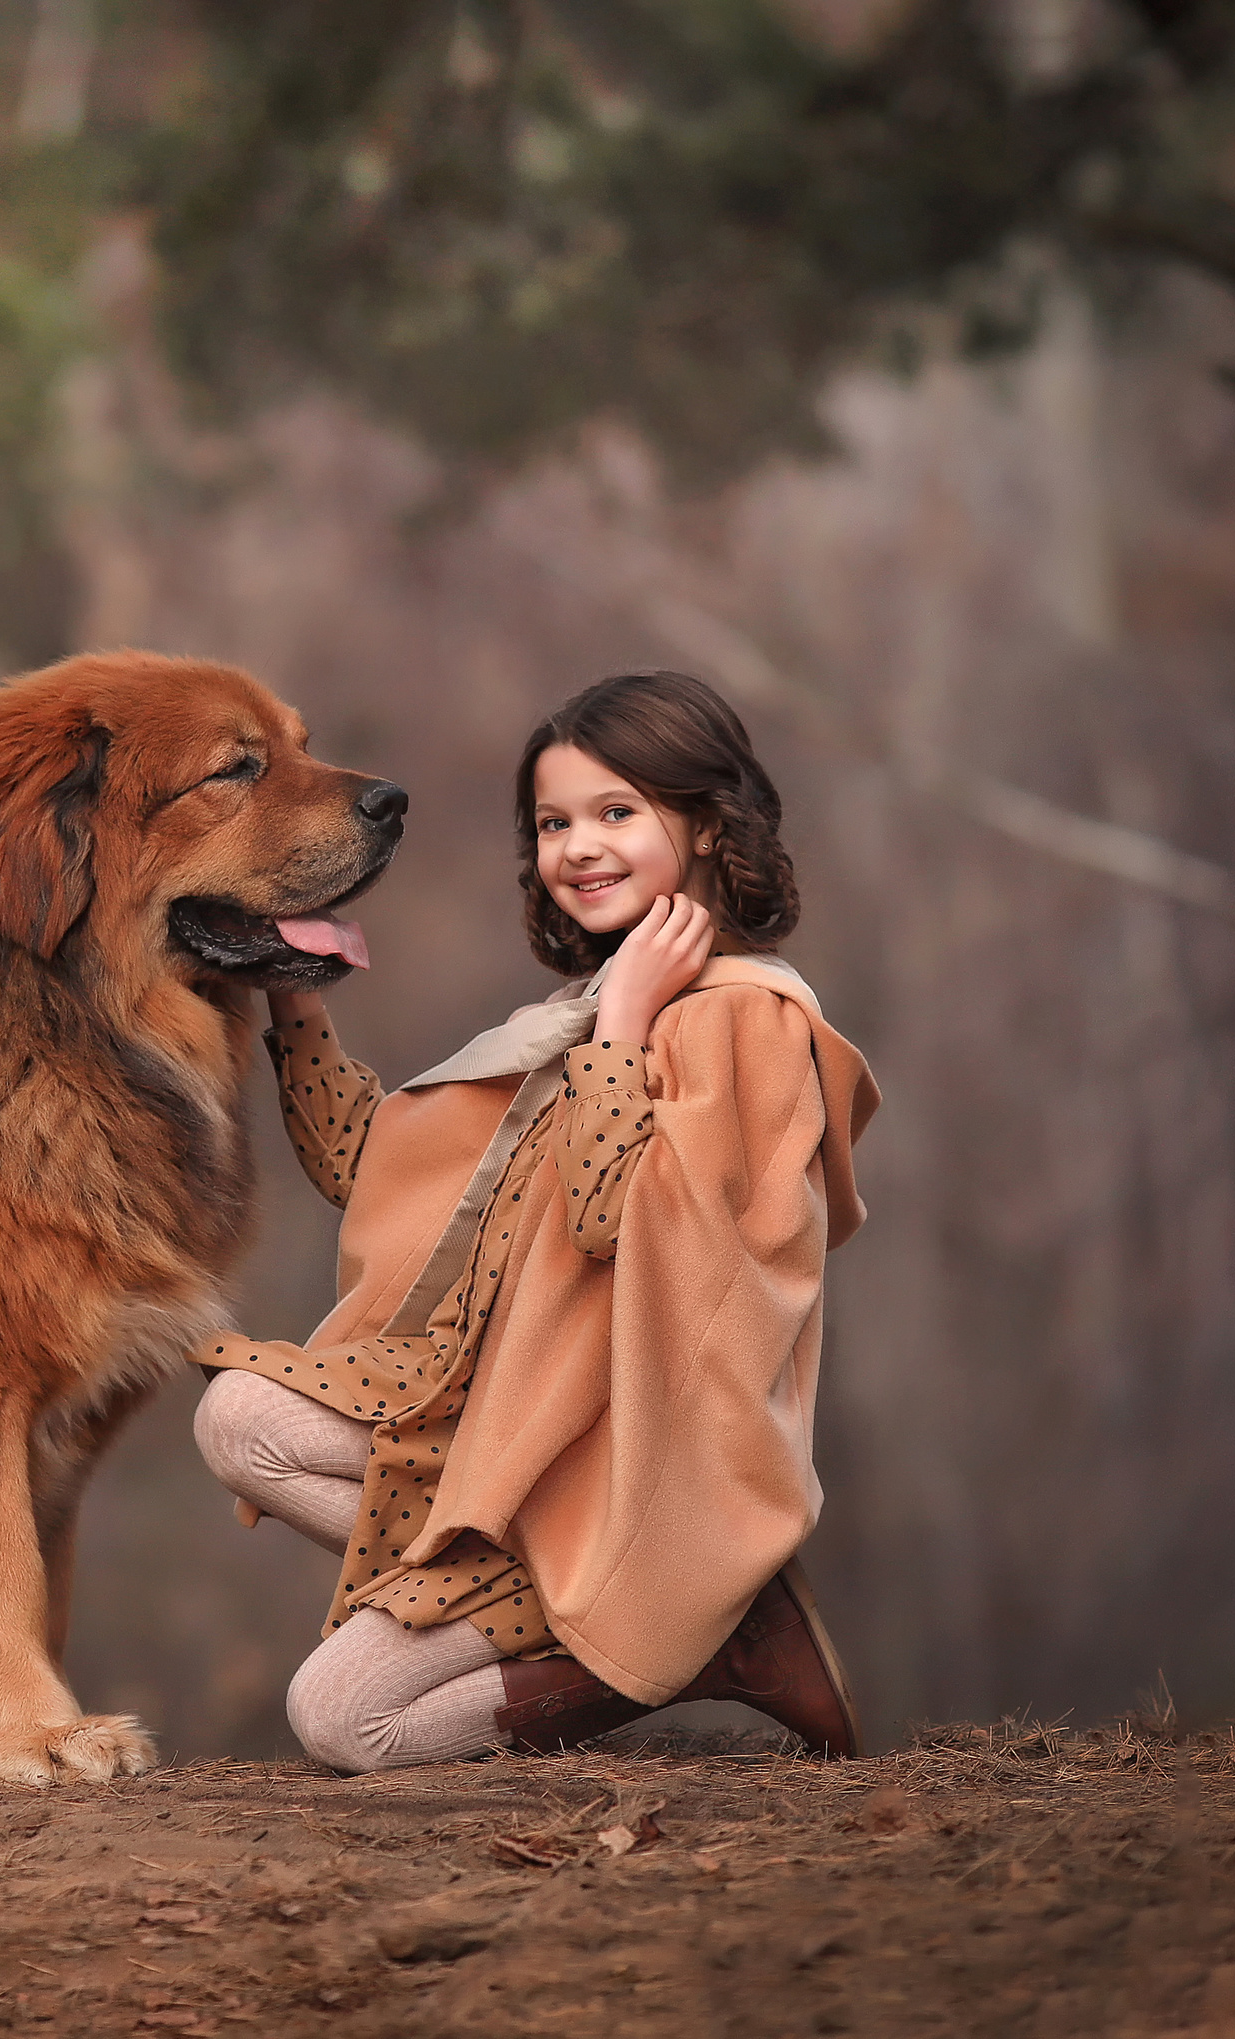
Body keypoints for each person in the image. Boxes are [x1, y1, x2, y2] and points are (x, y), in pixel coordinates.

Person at [192, 671, 879, 1773]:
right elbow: (373, 1168)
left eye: (617, 812)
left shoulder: (743, 1025)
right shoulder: (581, 1017)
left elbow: (626, 1227)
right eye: (554, 822)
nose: (577, 847)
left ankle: (708, 1634)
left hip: (621, 1473)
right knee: (239, 1418)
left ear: (706, 823)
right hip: (510, 1438)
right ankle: (595, 1595)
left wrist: (619, 1028)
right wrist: (295, 987)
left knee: (343, 1722)